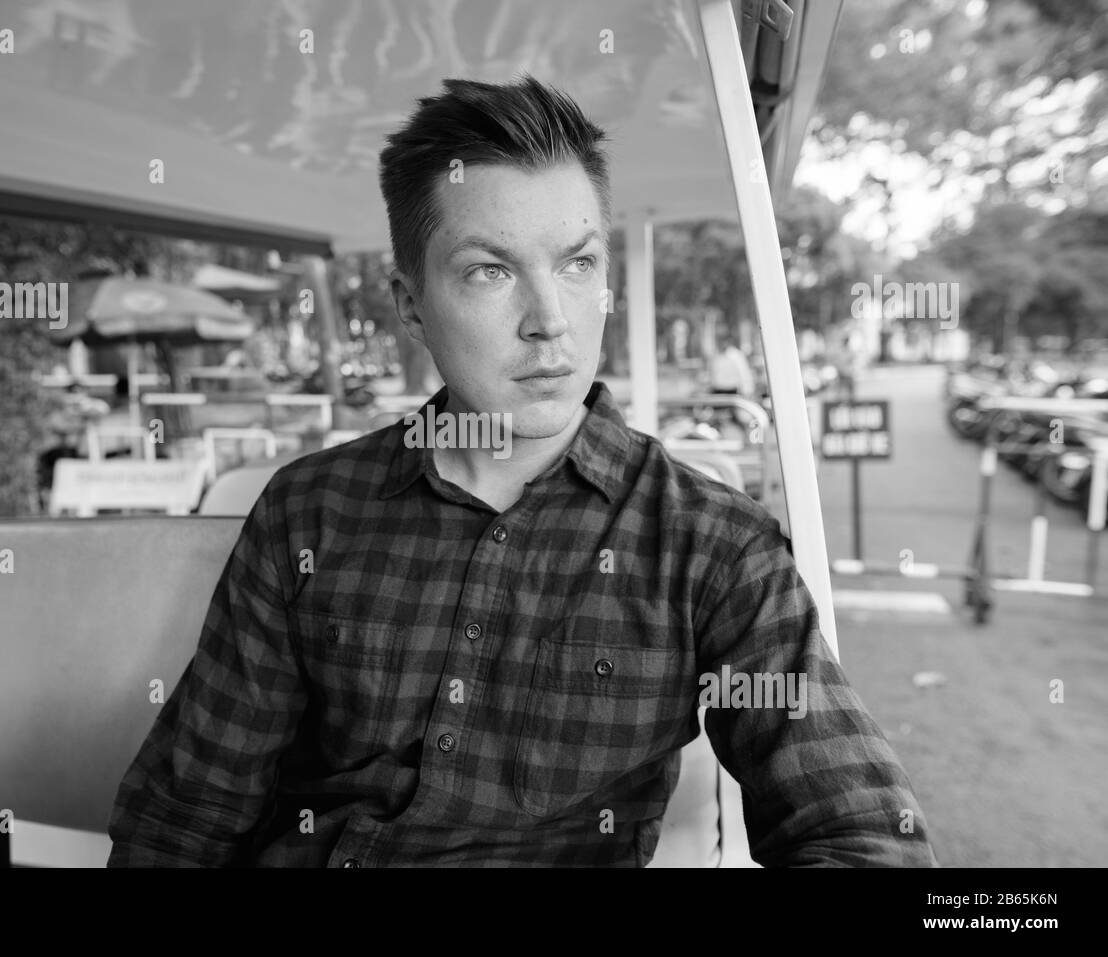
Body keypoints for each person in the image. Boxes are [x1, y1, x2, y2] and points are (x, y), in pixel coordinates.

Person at [107, 75, 936, 867]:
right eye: (489, 271)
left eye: (577, 264)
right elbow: (188, 810)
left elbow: (865, 835)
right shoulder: (309, 511)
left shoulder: (711, 548)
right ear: (409, 304)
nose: (550, 323)